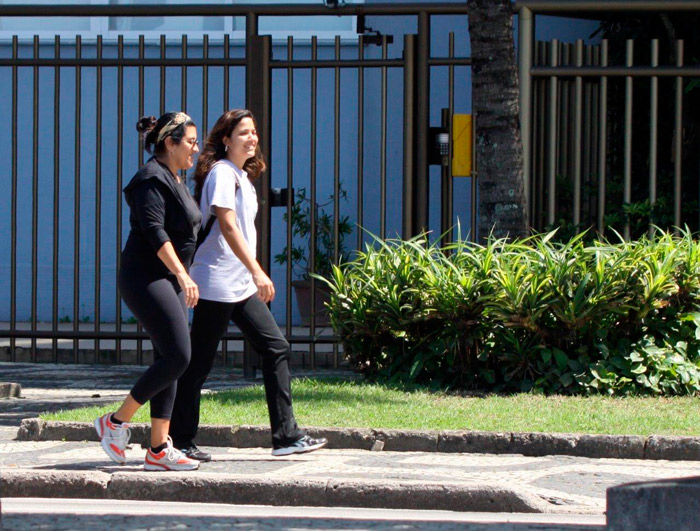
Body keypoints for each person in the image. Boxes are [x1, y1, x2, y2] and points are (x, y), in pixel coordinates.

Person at [169, 109, 327, 460]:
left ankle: (286, 437)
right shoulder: (224, 173)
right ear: (226, 139)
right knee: (198, 365)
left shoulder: (240, 175)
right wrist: (257, 270)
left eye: (254, 132)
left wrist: (250, 274)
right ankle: (178, 440)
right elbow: (227, 226)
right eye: (243, 133)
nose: (251, 138)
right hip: (216, 283)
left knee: (275, 348)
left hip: (236, 284)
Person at [94, 112, 202, 471]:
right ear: (169, 143)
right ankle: (115, 422)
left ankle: (158, 449)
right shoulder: (149, 180)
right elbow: (157, 233)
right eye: (189, 141)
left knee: (168, 359)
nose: (196, 149)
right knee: (179, 357)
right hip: (146, 278)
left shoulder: (173, 177)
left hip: (165, 279)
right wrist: (183, 276)